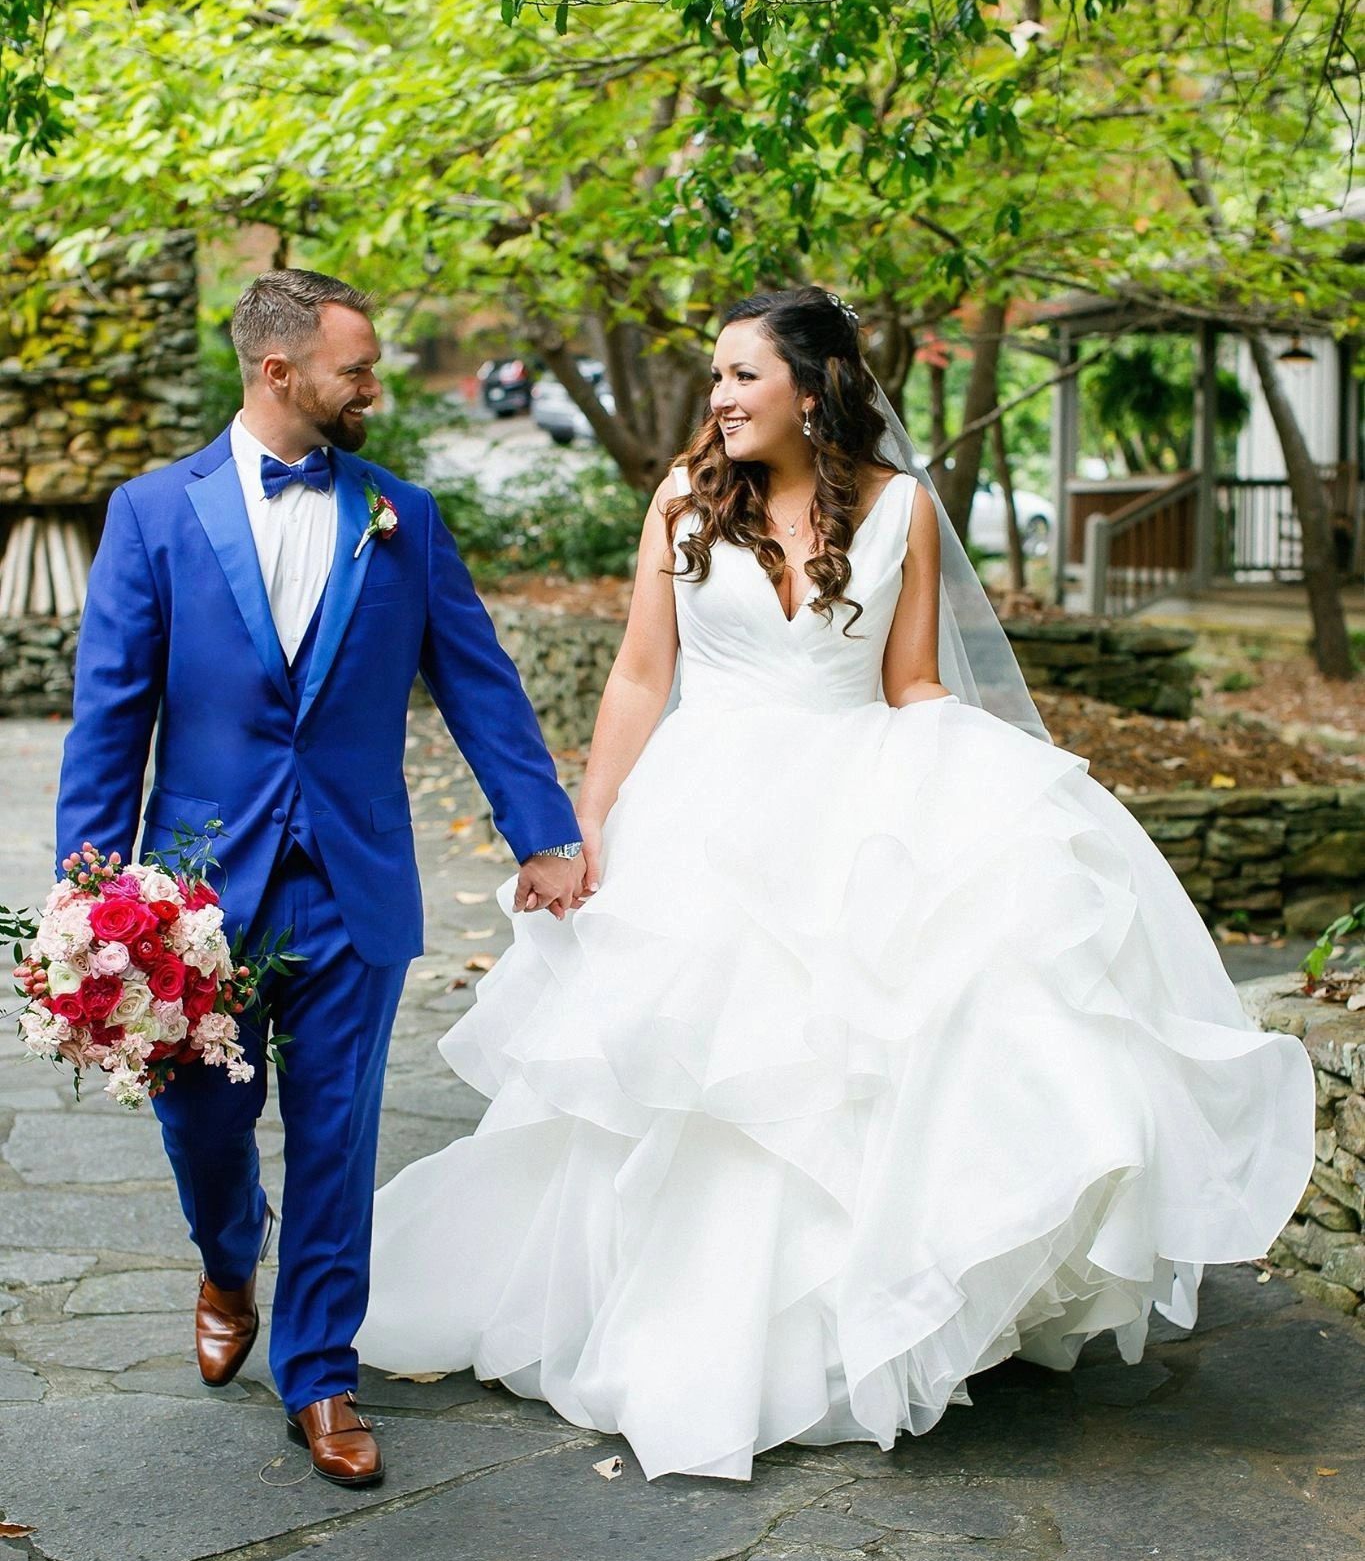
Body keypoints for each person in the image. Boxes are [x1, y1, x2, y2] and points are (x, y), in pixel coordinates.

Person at [356, 284, 1315, 1482]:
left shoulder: (901, 505)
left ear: (810, 390)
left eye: (743, 376)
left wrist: (999, 781)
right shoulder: (683, 497)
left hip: (853, 802)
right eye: (716, 376)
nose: (720, 397)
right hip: (703, 809)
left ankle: (843, 1324)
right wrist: (586, 821)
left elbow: (910, 681)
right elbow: (641, 679)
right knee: (699, 1068)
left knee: (856, 1061)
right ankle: (674, 1320)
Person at [55, 269, 584, 1488]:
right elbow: (109, 713)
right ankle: (228, 1256)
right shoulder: (152, 512)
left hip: (353, 880)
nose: (375, 386)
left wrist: (541, 832)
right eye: (359, 367)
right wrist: (89, 894)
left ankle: (322, 1374)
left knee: (339, 1132)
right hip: (194, 901)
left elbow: (481, 681)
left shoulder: (406, 515)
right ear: (279, 370)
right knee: (203, 1125)